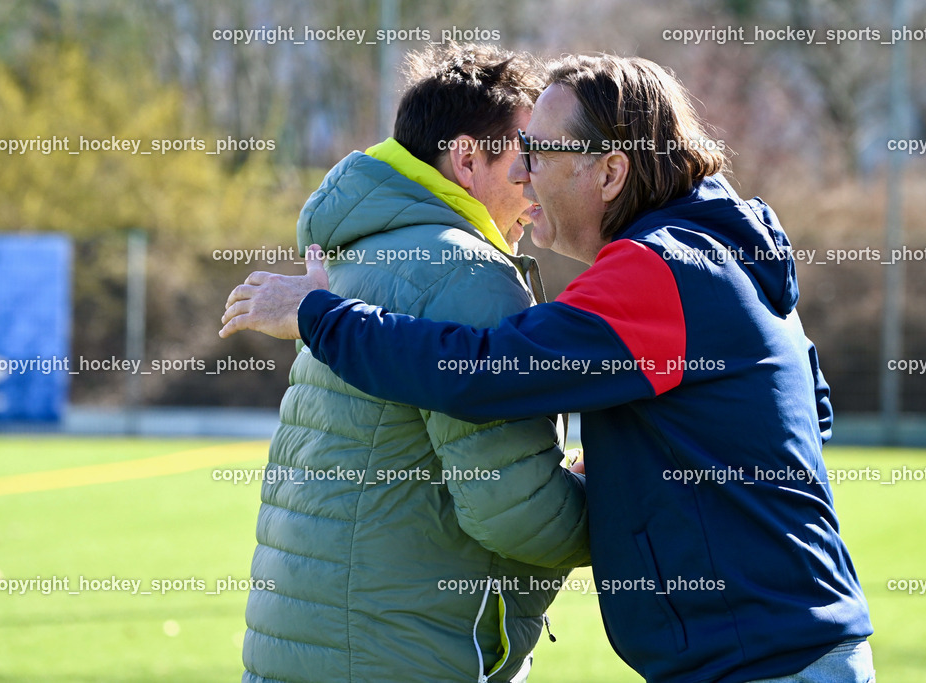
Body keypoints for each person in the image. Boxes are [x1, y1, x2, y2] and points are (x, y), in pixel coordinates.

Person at [222, 54, 874, 682]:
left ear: (611, 173)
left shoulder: (658, 271)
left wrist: (319, 316)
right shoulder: (707, 249)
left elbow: (480, 375)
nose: (525, 174)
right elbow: (808, 410)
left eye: (539, 152)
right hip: (775, 649)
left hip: (764, 661)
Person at [231, 44, 590, 683]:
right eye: (525, 154)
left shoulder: (361, 251)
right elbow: (518, 514)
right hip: (400, 655)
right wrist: (618, 496)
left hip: (296, 646)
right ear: (468, 158)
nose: (538, 176)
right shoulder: (468, 273)